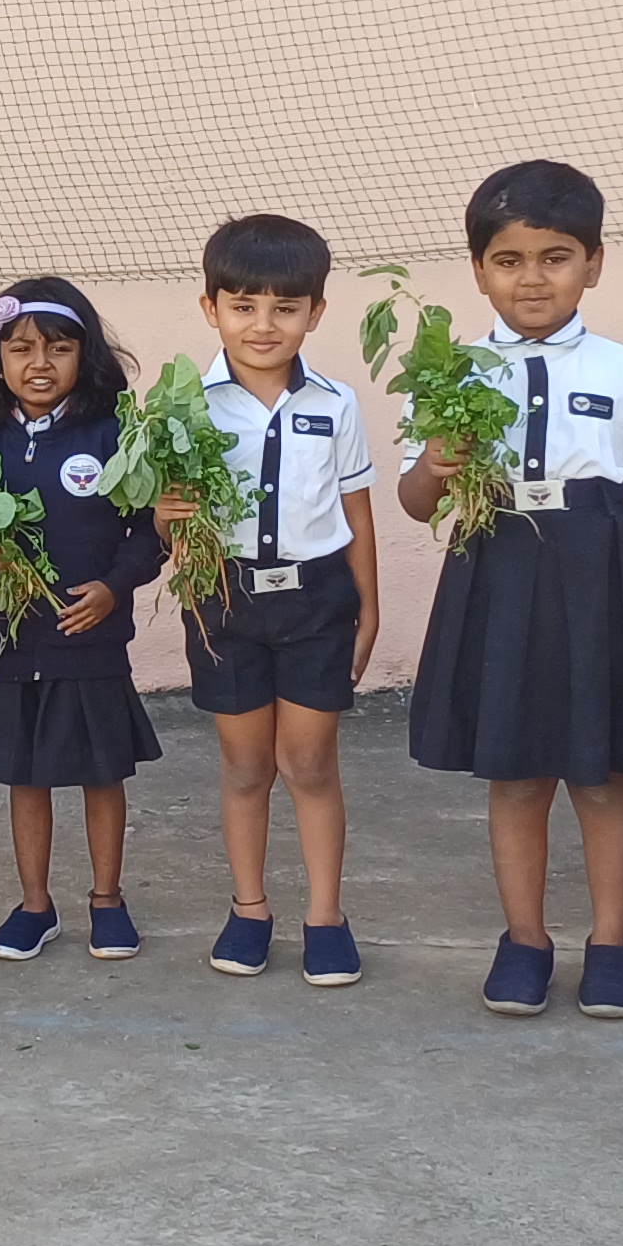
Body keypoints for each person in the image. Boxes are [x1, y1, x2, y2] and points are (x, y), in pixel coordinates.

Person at [401, 161, 623, 1022]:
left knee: (604, 775)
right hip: (498, 569)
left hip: (604, 576)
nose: (532, 278)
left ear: (595, 264)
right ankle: (524, 939)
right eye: (509, 259)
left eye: (556, 256)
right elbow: (417, 503)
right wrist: (433, 466)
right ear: (478, 271)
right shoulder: (453, 374)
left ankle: (613, 942)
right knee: (517, 774)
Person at [178, 217, 381, 986]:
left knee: (310, 762)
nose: (263, 325)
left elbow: (357, 511)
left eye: (285, 307)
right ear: (211, 309)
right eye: (242, 306)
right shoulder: (184, 409)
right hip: (223, 601)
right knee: (243, 765)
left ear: (315, 313)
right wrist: (168, 519)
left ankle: (325, 917)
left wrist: (369, 608)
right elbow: (167, 521)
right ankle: (250, 909)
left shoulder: (335, 404)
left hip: (317, 601)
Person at [0, 278, 161, 965]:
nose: (40, 363)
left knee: (102, 774)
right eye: (21, 349)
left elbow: (148, 530)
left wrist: (114, 587)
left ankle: (107, 900)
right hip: (13, 643)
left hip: (90, 638)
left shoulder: (113, 438)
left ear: (85, 357)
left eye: (59, 349)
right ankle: (35, 905)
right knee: (26, 777)